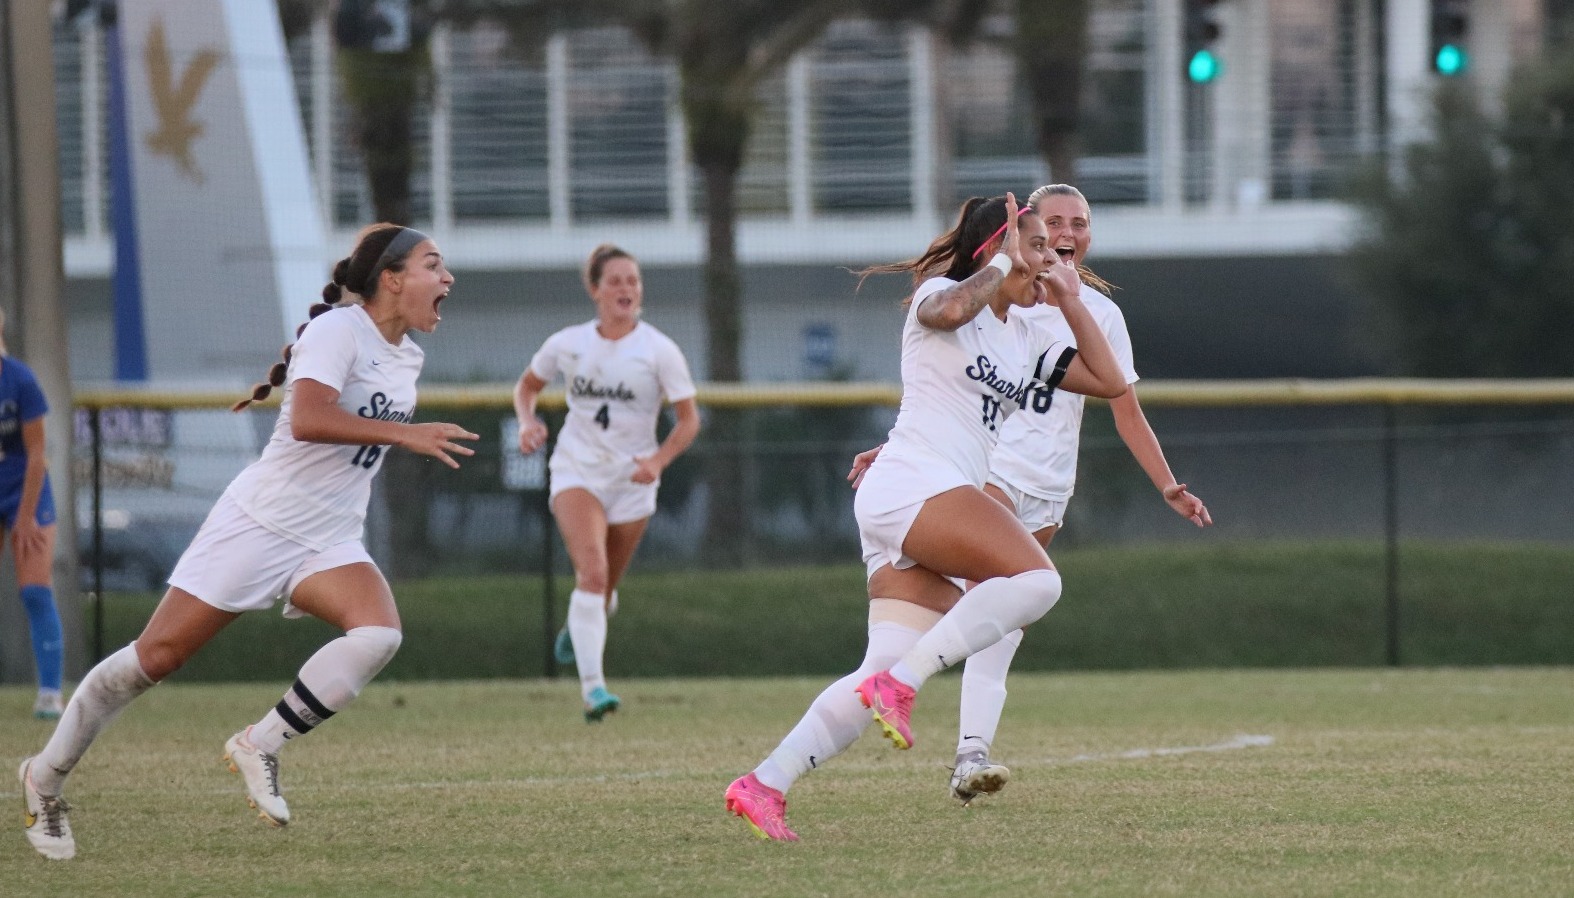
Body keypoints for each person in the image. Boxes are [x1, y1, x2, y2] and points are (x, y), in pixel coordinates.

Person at [19, 224, 477, 861]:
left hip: (329, 534)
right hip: (261, 523)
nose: (448, 278)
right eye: (434, 264)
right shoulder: (338, 331)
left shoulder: (407, 355)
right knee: (154, 659)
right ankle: (44, 777)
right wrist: (405, 435)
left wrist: (396, 436)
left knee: (378, 634)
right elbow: (311, 418)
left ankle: (261, 743)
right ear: (393, 279)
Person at [724, 193, 1128, 841]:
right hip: (914, 487)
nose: (1051, 257)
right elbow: (946, 311)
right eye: (1038, 247)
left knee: (874, 667)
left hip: (914, 496)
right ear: (1000, 249)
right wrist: (1002, 262)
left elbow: (1111, 382)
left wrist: (1071, 300)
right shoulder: (941, 292)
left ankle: (764, 784)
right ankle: (904, 684)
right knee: (1038, 582)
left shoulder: (1026, 334)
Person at [944, 183, 1212, 805]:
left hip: (1049, 489)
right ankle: (899, 682)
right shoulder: (994, 295)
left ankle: (966, 756)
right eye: (1053, 221)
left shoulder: (1099, 314)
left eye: (1079, 222)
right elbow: (940, 378)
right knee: (988, 595)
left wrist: (1167, 483)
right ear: (1026, 232)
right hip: (990, 472)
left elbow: (1124, 407)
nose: (1067, 232)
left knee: (1002, 628)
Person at [514, 244, 700, 723]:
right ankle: (594, 689)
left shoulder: (659, 350)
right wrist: (527, 422)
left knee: (605, 589)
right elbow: (527, 387)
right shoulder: (569, 342)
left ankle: (580, 628)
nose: (626, 289)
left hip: (633, 481)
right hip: (577, 470)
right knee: (593, 574)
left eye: (633, 280)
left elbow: (688, 421)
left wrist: (658, 460)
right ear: (595, 289)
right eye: (615, 280)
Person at [0, 309, 65, 721]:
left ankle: (50, 693)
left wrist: (24, 519)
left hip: (26, 488)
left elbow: (38, 453)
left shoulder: (20, 381)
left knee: (35, 591)